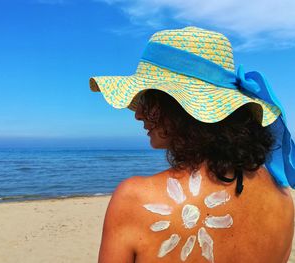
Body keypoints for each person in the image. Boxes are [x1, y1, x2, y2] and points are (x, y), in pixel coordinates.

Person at [89, 27, 295, 263]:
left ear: (177, 106)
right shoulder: (282, 199)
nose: (138, 114)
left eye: (148, 99)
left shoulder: (133, 201)